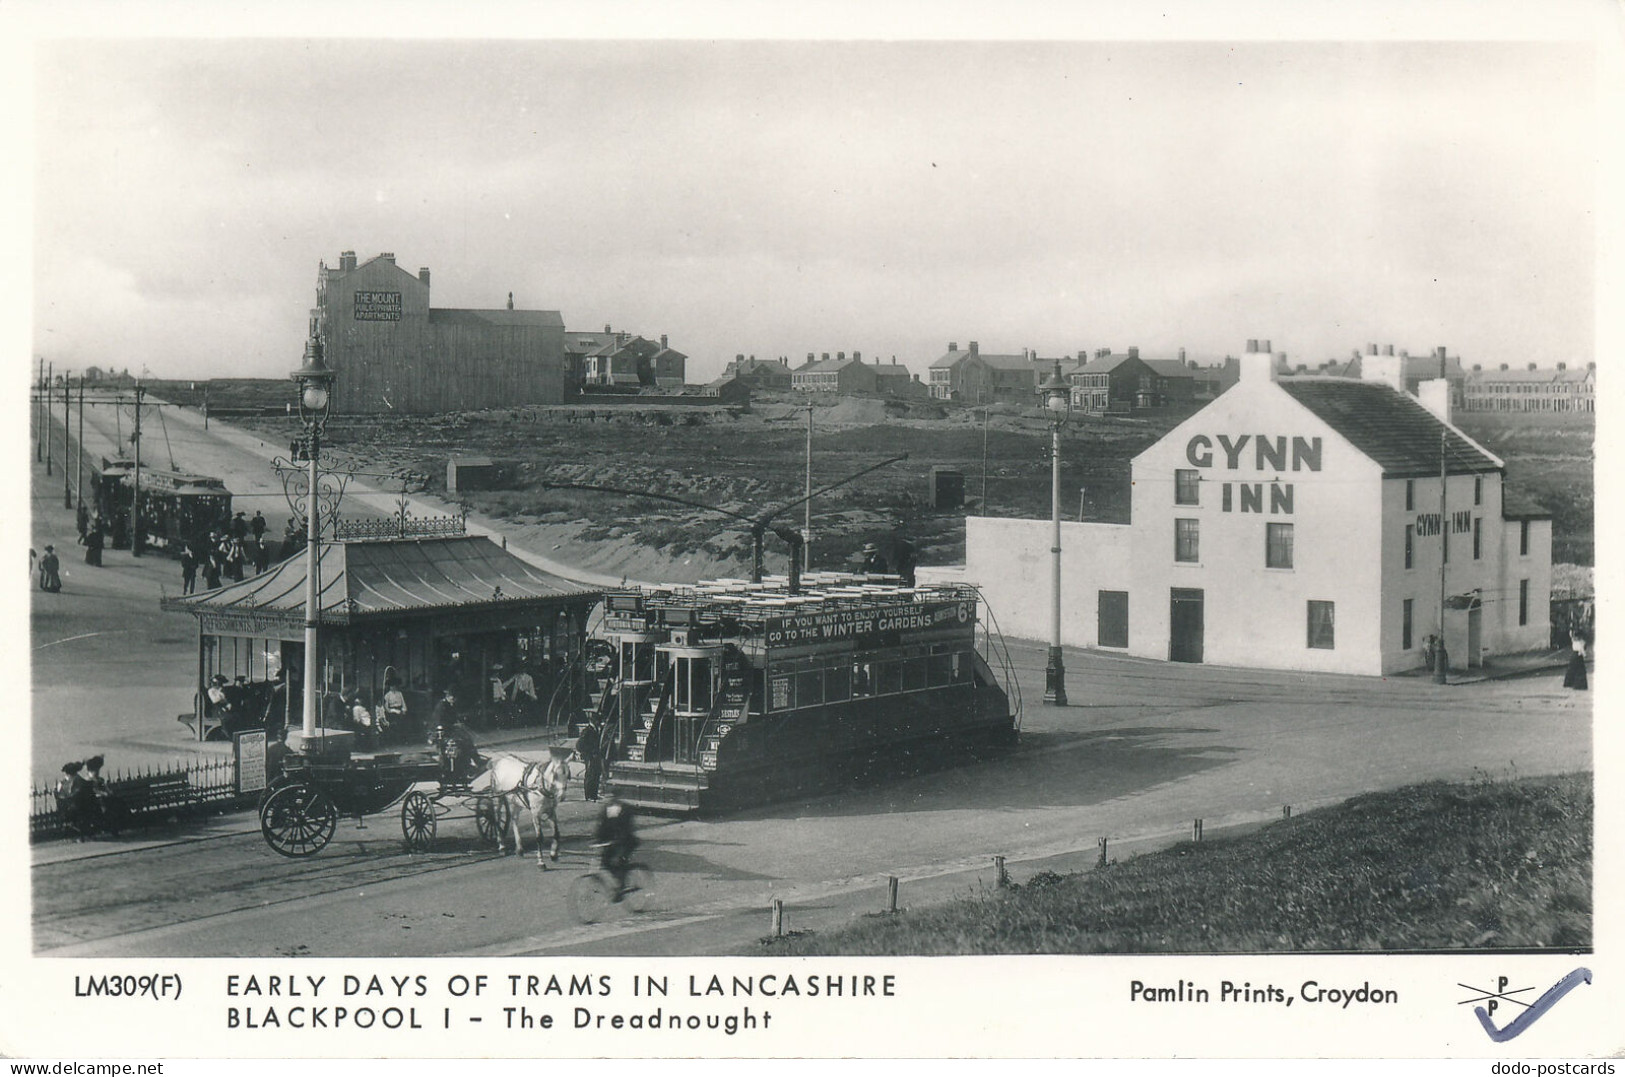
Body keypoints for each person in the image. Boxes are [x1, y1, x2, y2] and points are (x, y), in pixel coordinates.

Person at [593, 795, 639, 898]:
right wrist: (597, 840)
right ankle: (618, 882)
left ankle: (622, 885)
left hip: (627, 840)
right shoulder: (606, 809)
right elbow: (601, 826)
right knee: (605, 862)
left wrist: (618, 840)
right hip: (613, 841)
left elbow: (627, 828)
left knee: (620, 861)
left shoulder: (625, 809)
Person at [81, 754, 118, 838]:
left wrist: (108, 792)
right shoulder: (87, 781)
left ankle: (113, 828)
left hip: (102, 802)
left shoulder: (99, 779)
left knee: (113, 805)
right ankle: (110, 828)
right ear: (91, 770)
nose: (97, 772)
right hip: (94, 803)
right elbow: (93, 791)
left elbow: (105, 788)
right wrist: (104, 793)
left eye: (98, 770)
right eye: (96, 770)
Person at [54, 762, 90, 841]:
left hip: (64, 809)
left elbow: (58, 795)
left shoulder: (61, 783)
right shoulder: (78, 782)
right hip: (75, 809)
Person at [576, 717, 604, 801]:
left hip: (596, 756)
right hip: (590, 756)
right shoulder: (587, 731)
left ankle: (594, 794)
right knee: (590, 775)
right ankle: (588, 795)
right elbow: (579, 745)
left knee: (596, 774)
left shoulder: (596, 730)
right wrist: (590, 752)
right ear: (592, 721)